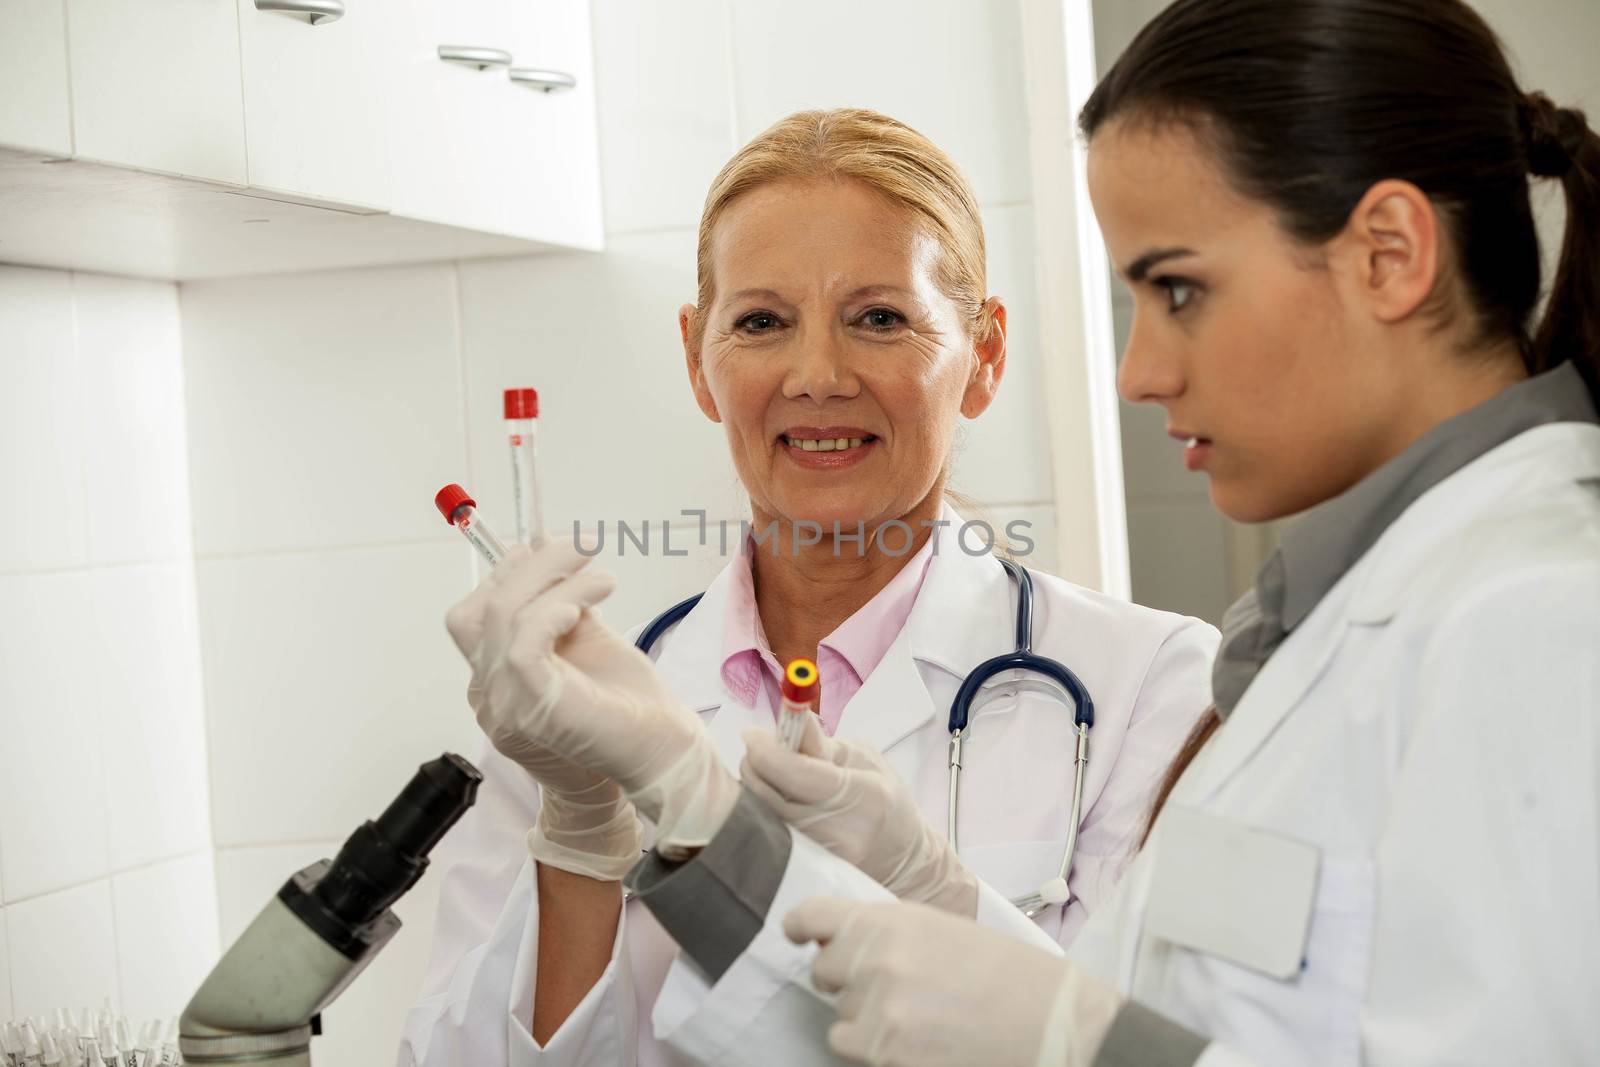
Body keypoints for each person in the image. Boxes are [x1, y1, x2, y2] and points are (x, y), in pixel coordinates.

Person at [433, 0, 1600, 1062]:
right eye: (762, 322)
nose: (1139, 369)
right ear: (698, 355)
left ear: (1390, 255)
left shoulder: (1537, 616)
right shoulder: (1373, 622)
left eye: (1177, 287)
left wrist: (1058, 1022)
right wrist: (650, 828)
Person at [399, 109, 1219, 1066]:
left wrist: (927, 882)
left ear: (985, 354)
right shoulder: (575, 718)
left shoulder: (1149, 685)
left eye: (879, 318)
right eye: (760, 322)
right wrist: (581, 837)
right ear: (698, 359)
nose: (818, 375)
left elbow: (1144, 1049)